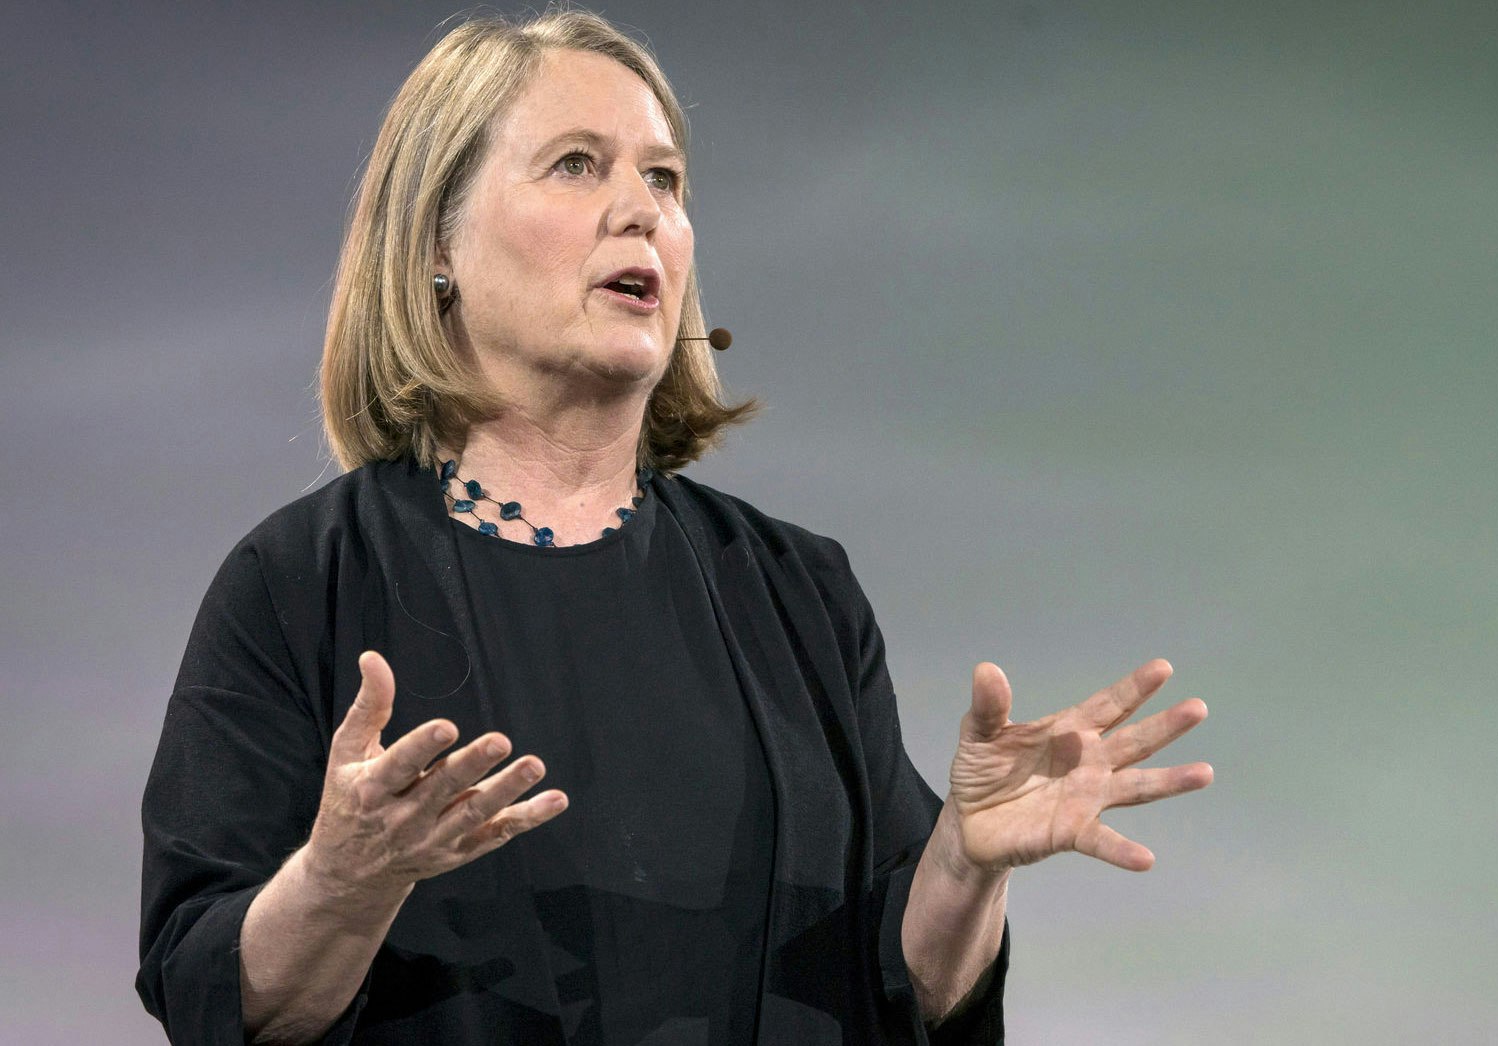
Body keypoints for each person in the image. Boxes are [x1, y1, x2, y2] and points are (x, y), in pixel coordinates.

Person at [135, 8, 1213, 1044]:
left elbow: (906, 992)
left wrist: (967, 867)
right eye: (576, 164)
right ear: (435, 245)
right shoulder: (300, 583)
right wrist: (342, 882)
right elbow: (216, 995)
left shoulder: (796, 588)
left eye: (664, 178)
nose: (641, 210)